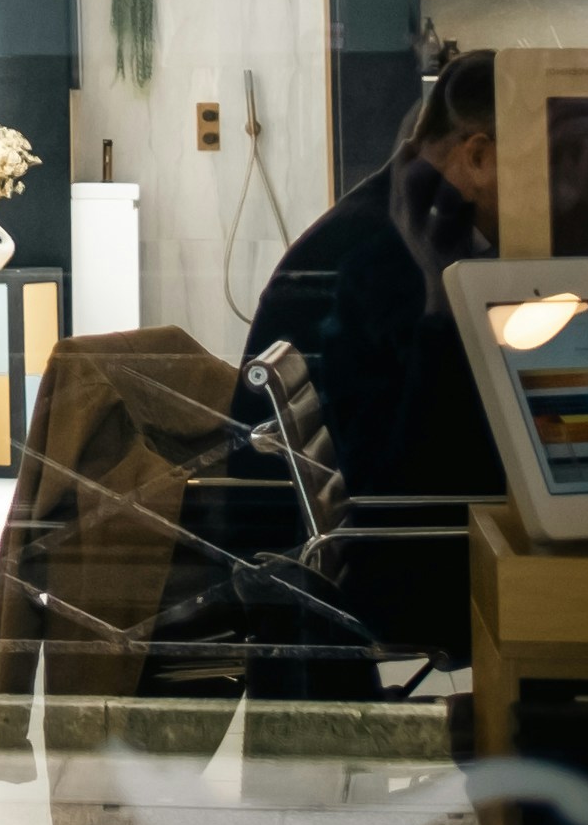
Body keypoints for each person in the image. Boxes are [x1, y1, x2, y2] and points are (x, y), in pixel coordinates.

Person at [214, 45, 516, 671]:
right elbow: (417, 468)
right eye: (550, 161)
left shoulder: (399, 223)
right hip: (388, 572)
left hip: (355, 553)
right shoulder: (390, 259)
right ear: (479, 157)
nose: (560, 188)